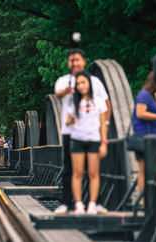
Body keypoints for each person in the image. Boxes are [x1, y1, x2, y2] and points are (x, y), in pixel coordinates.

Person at [53, 48, 111, 214]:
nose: (75, 63)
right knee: (70, 169)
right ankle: (67, 202)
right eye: (72, 60)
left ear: (84, 61)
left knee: (93, 170)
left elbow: (106, 105)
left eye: (78, 59)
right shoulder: (64, 81)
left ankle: (95, 202)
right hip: (70, 132)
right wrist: (71, 89)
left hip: (92, 133)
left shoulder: (95, 82)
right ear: (68, 63)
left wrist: (104, 127)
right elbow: (58, 94)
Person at [65, 71, 108, 215]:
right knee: (77, 173)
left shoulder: (99, 101)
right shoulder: (73, 101)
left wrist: (104, 143)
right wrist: (69, 120)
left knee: (93, 173)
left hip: (94, 140)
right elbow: (67, 121)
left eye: (83, 82)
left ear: (89, 83)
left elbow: (103, 123)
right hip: (77, 139)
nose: (81, 86)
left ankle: (92, 204)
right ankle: (78, 204)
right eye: (78, 84)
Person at [132, 72, 156, 201]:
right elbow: (140, 113)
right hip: (144, 138)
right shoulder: (144, 95)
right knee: (144, 170)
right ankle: (144, 201)